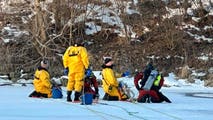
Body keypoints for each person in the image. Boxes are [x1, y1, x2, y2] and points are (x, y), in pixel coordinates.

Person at [63, 38, 89, 102]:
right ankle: (76, 97)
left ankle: (68, 97)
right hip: (79, 69)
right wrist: (87, 67)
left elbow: (65, 58)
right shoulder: (82, 49)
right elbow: (84, 58)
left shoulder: (69, 49)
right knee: (78, 82)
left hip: (71, 68)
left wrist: (66, 67)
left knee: (70, 82)